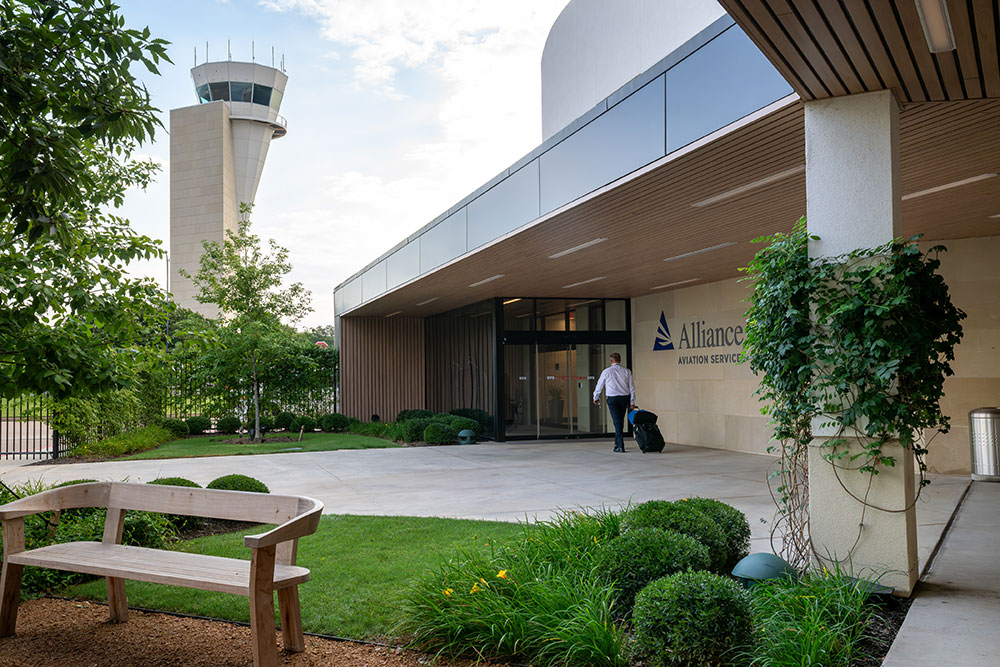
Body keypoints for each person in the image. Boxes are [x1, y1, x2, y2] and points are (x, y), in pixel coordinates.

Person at [592, 352, 635, 452]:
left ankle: (620, 445)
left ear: (611, 361)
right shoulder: (627, 371)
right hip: (624, 398)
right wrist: (632, 402)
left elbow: (599, 385)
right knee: (619, 421)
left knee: (617, 421)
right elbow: (632, 388)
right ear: (620, 360)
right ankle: (617, 444)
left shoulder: (606, 371)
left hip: (613, 399)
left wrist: (596, 396)